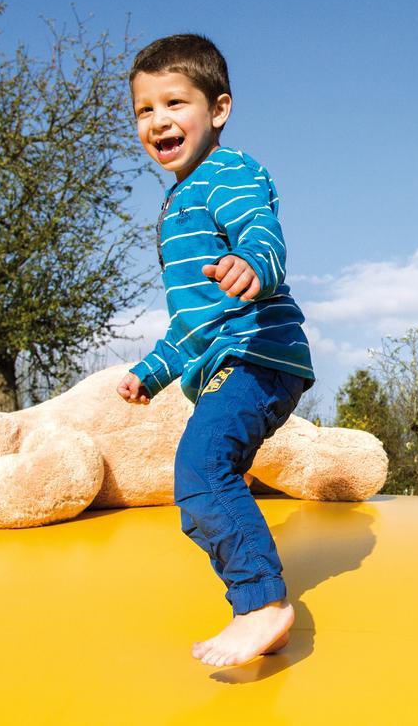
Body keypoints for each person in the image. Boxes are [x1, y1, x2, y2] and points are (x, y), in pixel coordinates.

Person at [116, 34, 314, 668]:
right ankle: (260, 597)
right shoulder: (175, 203)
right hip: (228, 355)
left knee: (200, 472)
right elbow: (189, 325)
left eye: (175, 102)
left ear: (218, 109)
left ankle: (262, 605)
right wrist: (151, 371)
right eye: (144, 109)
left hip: (256, 353)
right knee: (208, 479)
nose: (159, 120)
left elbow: (262, 230)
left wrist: (255, 263)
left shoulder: (229, 174)